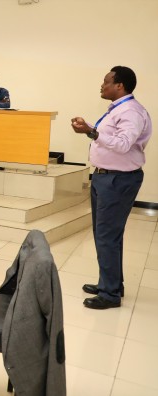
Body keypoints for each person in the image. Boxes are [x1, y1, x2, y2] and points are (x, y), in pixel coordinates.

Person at [71, 66, 152, 310]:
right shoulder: (117, 109)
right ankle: (111, 283)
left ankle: (110, 294)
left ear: (120, 86)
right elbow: (109, 140)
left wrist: (92, 132)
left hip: (118, 180)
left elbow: (124, 144)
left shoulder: (131, 111)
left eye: (106, 82)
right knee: (105, 235)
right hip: (105, 178)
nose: (102, 86)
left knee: (107, 236)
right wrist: (90, 132)